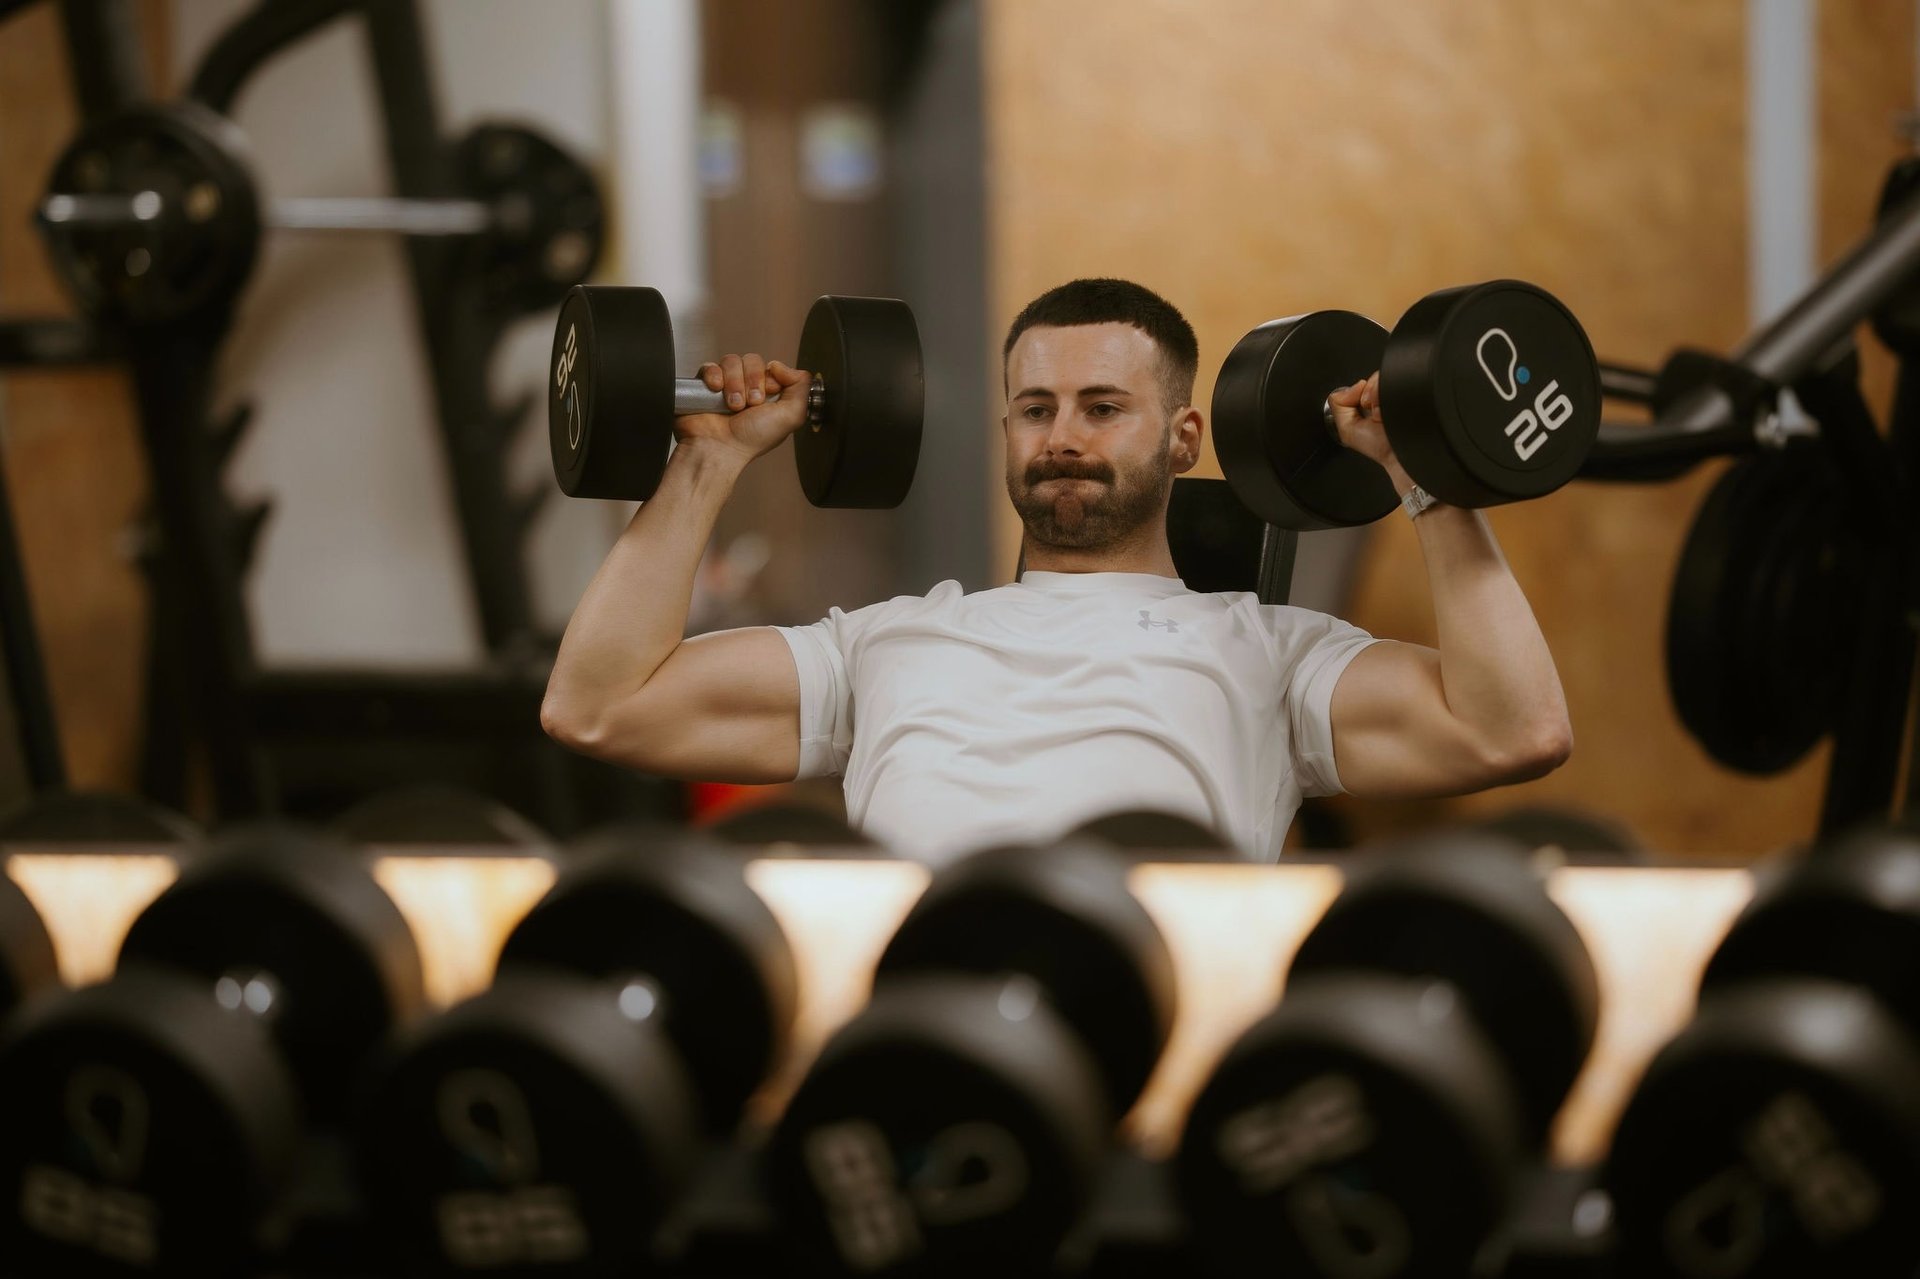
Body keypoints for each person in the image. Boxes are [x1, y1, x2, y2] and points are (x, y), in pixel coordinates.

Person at [541, 278, 1571, 861]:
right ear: (1006, 432)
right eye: (1036, 410)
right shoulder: (888, 639)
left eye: (1102, 407)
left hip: (1146, 1005)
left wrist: (1425, 478)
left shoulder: (1270, 652)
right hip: (922, 1017)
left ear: (1183, 437)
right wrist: (709, 458)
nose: (1063, 436)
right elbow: (599, 707)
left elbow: (1512, 729)